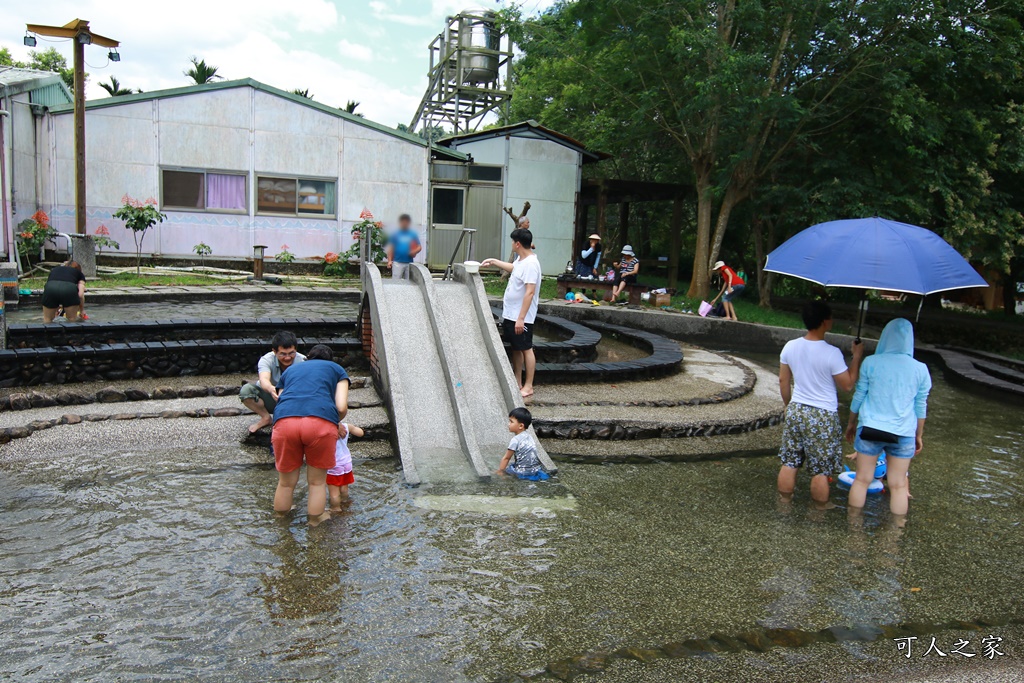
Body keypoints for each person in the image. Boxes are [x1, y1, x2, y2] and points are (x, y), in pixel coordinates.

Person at [777, 301, 864, 505]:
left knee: (790, 461)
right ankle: (818, 514)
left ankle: (783, 504)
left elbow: (783, 380)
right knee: (821, 470)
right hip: (822, 415)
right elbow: (848, 385)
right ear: (825, 322)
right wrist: (857, 357)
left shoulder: (790, 346)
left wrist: (788, 404)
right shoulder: (831, 353)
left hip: (797, 409)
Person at [845, 318, 931, 515]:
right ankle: (894, 538)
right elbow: (920, 406)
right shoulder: (921, 369)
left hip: (869, 428)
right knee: (899, 485)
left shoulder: (871, 362)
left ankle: (854, 531)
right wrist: (919, 435)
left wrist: (851, 423)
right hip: (903, 432)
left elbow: (859, 396)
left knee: (862, 480)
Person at [270, 344, 350, 519]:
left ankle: (281, 520)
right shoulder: (337, 370)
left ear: (308, 356)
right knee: (316, 483)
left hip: (285, 422)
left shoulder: (291, 370)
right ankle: (316, 521)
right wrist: (335, 421)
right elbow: (341, 406)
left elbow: (281, 400)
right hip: (320, 423)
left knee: (285, 484)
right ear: (330, 360)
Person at [482, 227, 542, 398]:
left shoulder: (531, 264)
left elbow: (530, 292)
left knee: (526, 348)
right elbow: (512, 268)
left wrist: (521, 319)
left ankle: (529, 385)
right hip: (511, 314)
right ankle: (517, 381)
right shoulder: (521, 260)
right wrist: (493, 261)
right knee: (517, 348)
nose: (511, 244)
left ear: (517, 244)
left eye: (511, 242)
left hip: (521, 317)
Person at [240, 331, 306, 434]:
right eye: (283, 354)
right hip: (272, 397)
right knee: (246, 391)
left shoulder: (303, 361)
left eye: (291, 353)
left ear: (296, 350)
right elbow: (264, 379)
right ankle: (266, 417)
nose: (288, 357)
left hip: (294, 399)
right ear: (274, 351)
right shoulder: (266, 360)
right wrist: (271, 389)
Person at [498, 407, 548, 480]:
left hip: (521, 472)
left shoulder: (515, 440)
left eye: (511, 422)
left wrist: (500, 472)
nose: (508, 424)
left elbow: (506, 458)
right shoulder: (529, 436)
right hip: (535, 470)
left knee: (509, 468)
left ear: (521, 426)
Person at [327, 422, 365, 510]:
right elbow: (360, 433)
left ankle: (336, 508)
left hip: (333, 465)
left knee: (334, 493)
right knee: (344, 489)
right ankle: (345, 503)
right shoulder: (345, 426)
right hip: (347, 463)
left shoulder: (326, 429)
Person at [386, 213, 421, 280]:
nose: (405, 224)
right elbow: (391, 248)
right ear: (400, 223)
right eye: (403, 222)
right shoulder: (395, 234)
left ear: (409, 223)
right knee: (396, 282)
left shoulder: (413, 234)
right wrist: (389, 261)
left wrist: (414, 251)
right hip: (397, 262)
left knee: (409, 282)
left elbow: (419, 247)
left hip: (409, 263)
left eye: (406, 222)